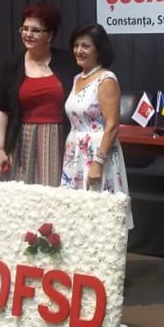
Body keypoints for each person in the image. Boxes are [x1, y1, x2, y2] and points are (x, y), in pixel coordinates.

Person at [0, 2, 76, 185]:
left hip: (59, 138)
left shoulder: (69, 62)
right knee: (20, 192)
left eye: (35, 30)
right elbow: (0, 108)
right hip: (22, 139)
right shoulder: (12, 65)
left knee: (53, 193)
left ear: (50, 35)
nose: (28, 34)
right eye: (25, 28)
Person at [61, 23, 133, 229]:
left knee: (101, 217)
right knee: (75, 215)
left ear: (99, 50)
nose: (79, 51)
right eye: (76, 45)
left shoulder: (106, 79)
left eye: (85, 46)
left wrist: (98, 163)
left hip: (98, 154)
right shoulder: (77, 79)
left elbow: (112, 125)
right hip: (75, 153)